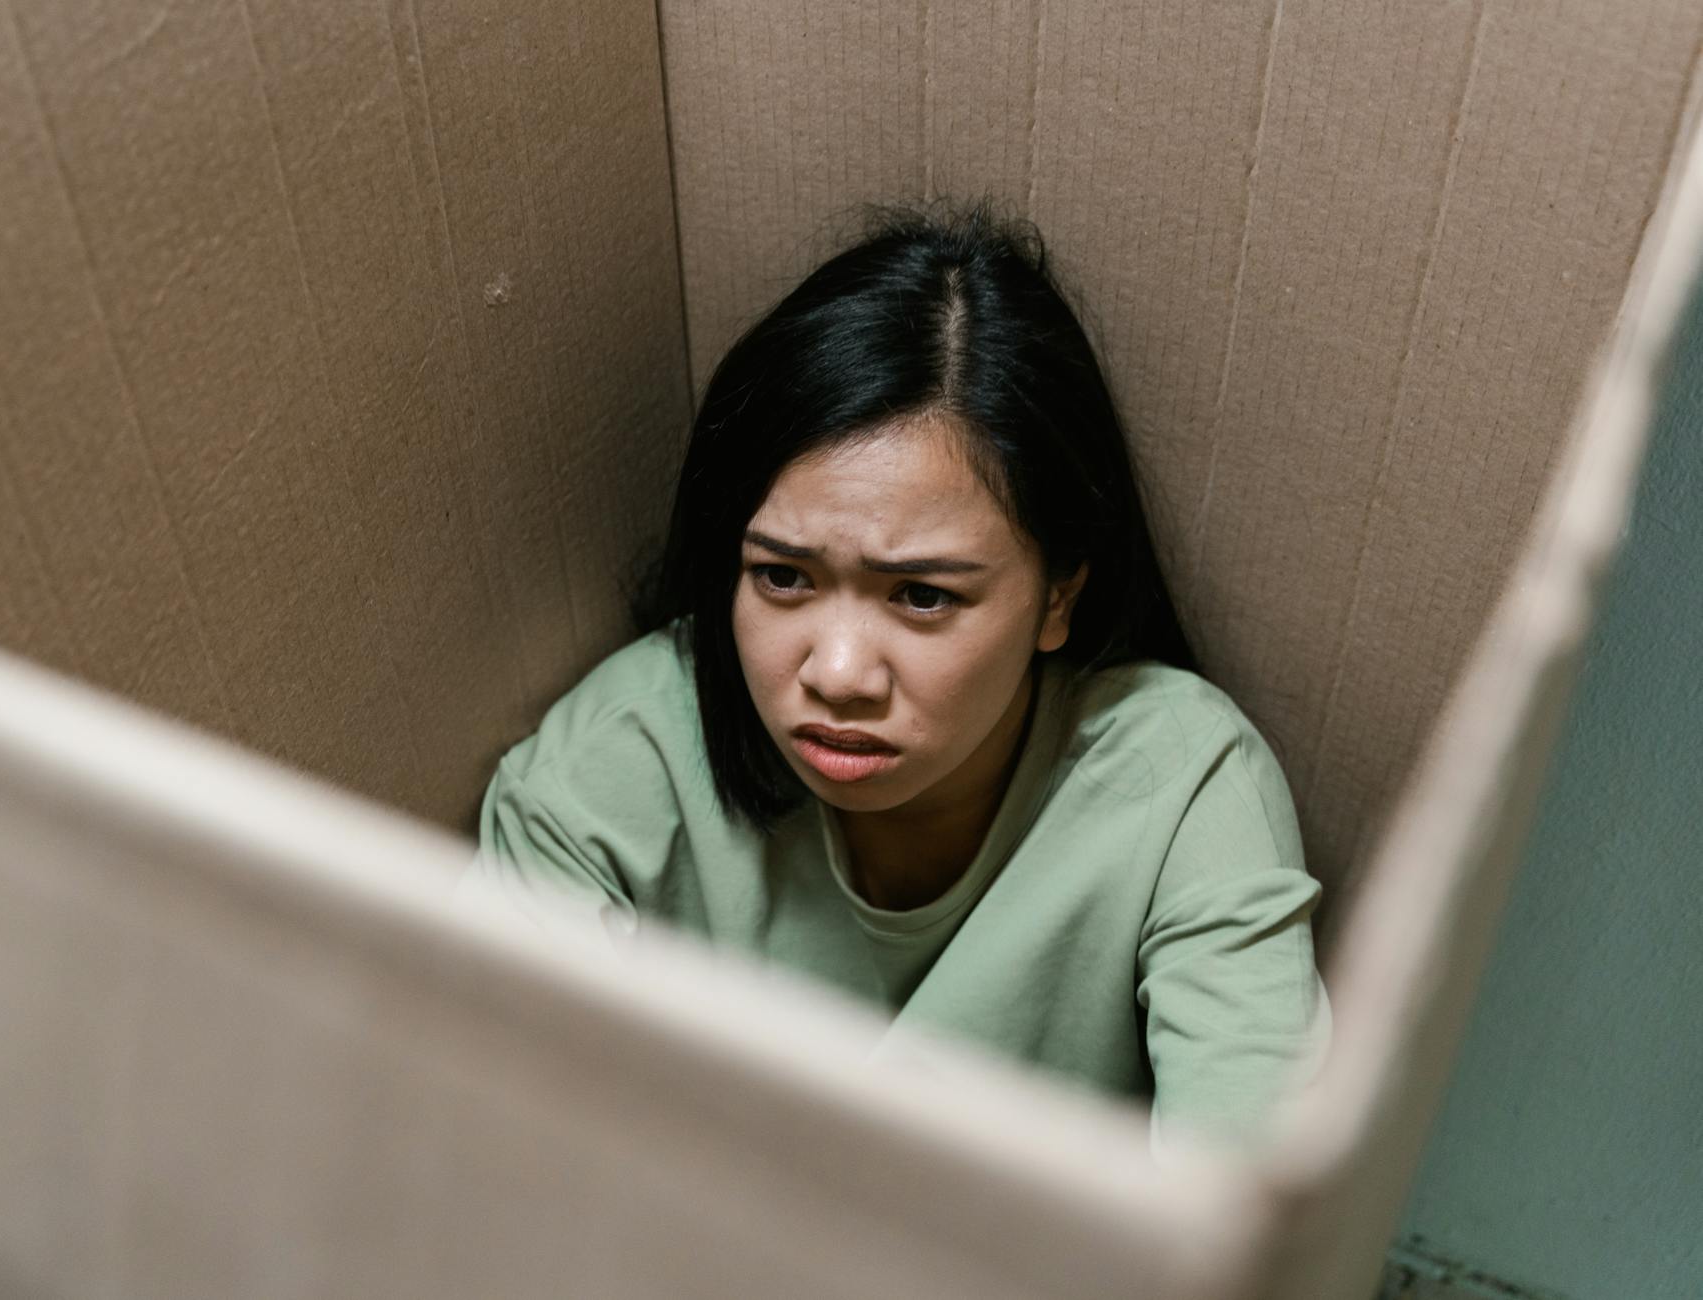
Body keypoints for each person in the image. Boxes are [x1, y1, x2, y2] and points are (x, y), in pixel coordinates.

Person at [464, 205, 1329, 1151]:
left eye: (921, 596)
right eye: (782, 577)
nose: (836, 675)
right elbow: (507, 1149)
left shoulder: (1178, 784)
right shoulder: (612, 766)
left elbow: (1253, 1203)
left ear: (1056, 598)